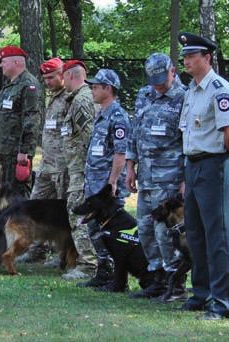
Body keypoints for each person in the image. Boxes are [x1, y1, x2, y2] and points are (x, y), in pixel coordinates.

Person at [177, 32, 229, 320]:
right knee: (196, 232)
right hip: (192, 165)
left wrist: (226, 155)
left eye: (192, 56)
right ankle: (201, 293)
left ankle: (223, 300)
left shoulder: (219, 89)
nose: (186, 61)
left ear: (207, 57)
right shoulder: (191, 90)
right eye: (185, 56)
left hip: (213, 164)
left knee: (217, 234)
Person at [126, 53, 187, 301]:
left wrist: (186, 179)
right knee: (145, 230)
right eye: (154, 79)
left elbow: (189, 141)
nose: (158, 84)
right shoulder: (144, 95)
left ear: (173, 70)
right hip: (146, 178)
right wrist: (130, 166)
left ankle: (176, 283)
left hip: (170, 178)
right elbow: (134, 133)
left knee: (166, 234)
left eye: (162, 79)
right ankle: (157, 280)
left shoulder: (185, 97)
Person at [16, 57, 70, 263]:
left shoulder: (70, 98)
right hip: (47, 162)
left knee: (60, 211)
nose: (47, 82)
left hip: (62, 164)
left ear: (63, 75)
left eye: (51, 77)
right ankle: (36, 248)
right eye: (45, 78)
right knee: (36, 205)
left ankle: (62, 253)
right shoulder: (53, 97)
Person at [80, 69, 130, 287]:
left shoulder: (118, 116)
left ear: (107, 89)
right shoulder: (102, 114)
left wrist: (112, 183)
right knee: (94, 227)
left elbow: (120, 155)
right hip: (94, 182)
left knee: (110, 229)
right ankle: (104, 270)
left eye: (95, 87)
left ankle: (115, 274)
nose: (92, 90)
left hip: (106, 185)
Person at [59, 60, 97, 280]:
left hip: (82, 170)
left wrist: (87, 169)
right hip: (76, 169)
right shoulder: (77, 99)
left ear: (71, 76)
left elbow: (90, 137)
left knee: (78, 215)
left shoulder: (81, 100)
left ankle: (88, 265)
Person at [0, 45, 42, 198]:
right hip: (1, 150)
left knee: (16, 193)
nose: (0, 65)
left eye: (3, 61)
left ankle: (20, 222)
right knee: (2, 191)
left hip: (15, 152)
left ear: (16, 62)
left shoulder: (28, 85)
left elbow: (31, 119)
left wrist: (24, 150)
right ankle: (5, 221)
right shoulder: (9, 85)